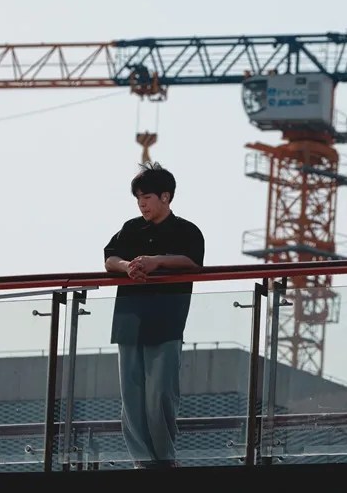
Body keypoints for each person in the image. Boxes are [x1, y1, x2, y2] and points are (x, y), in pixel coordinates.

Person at [103, 161, 205, 469]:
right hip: (129, 321)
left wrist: (156, 261)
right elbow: (110, 258)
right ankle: (141, 464)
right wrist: (128, 266)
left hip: (167, 321)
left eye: (146, 196)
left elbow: (193, 262)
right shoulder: (131, 228)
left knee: (160, 395)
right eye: (138, 197)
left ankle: (164, 461)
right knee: (131, 398)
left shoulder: (187, 230)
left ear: (166, 196)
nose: (141, 203)